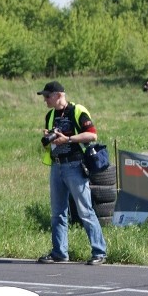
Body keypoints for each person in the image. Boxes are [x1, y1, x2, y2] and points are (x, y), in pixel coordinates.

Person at [36, 81, 107, 265]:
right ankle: (60, 252)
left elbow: (92, 135)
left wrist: (67, 139)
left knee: (85, 210)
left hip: (74, 165)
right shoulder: (50, 115)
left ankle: (99, 251)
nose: (45, 99)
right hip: (57, 165)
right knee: (58, 212)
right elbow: (47, 141)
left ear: (59, 95)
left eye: (47, 96)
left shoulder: (77, 111)